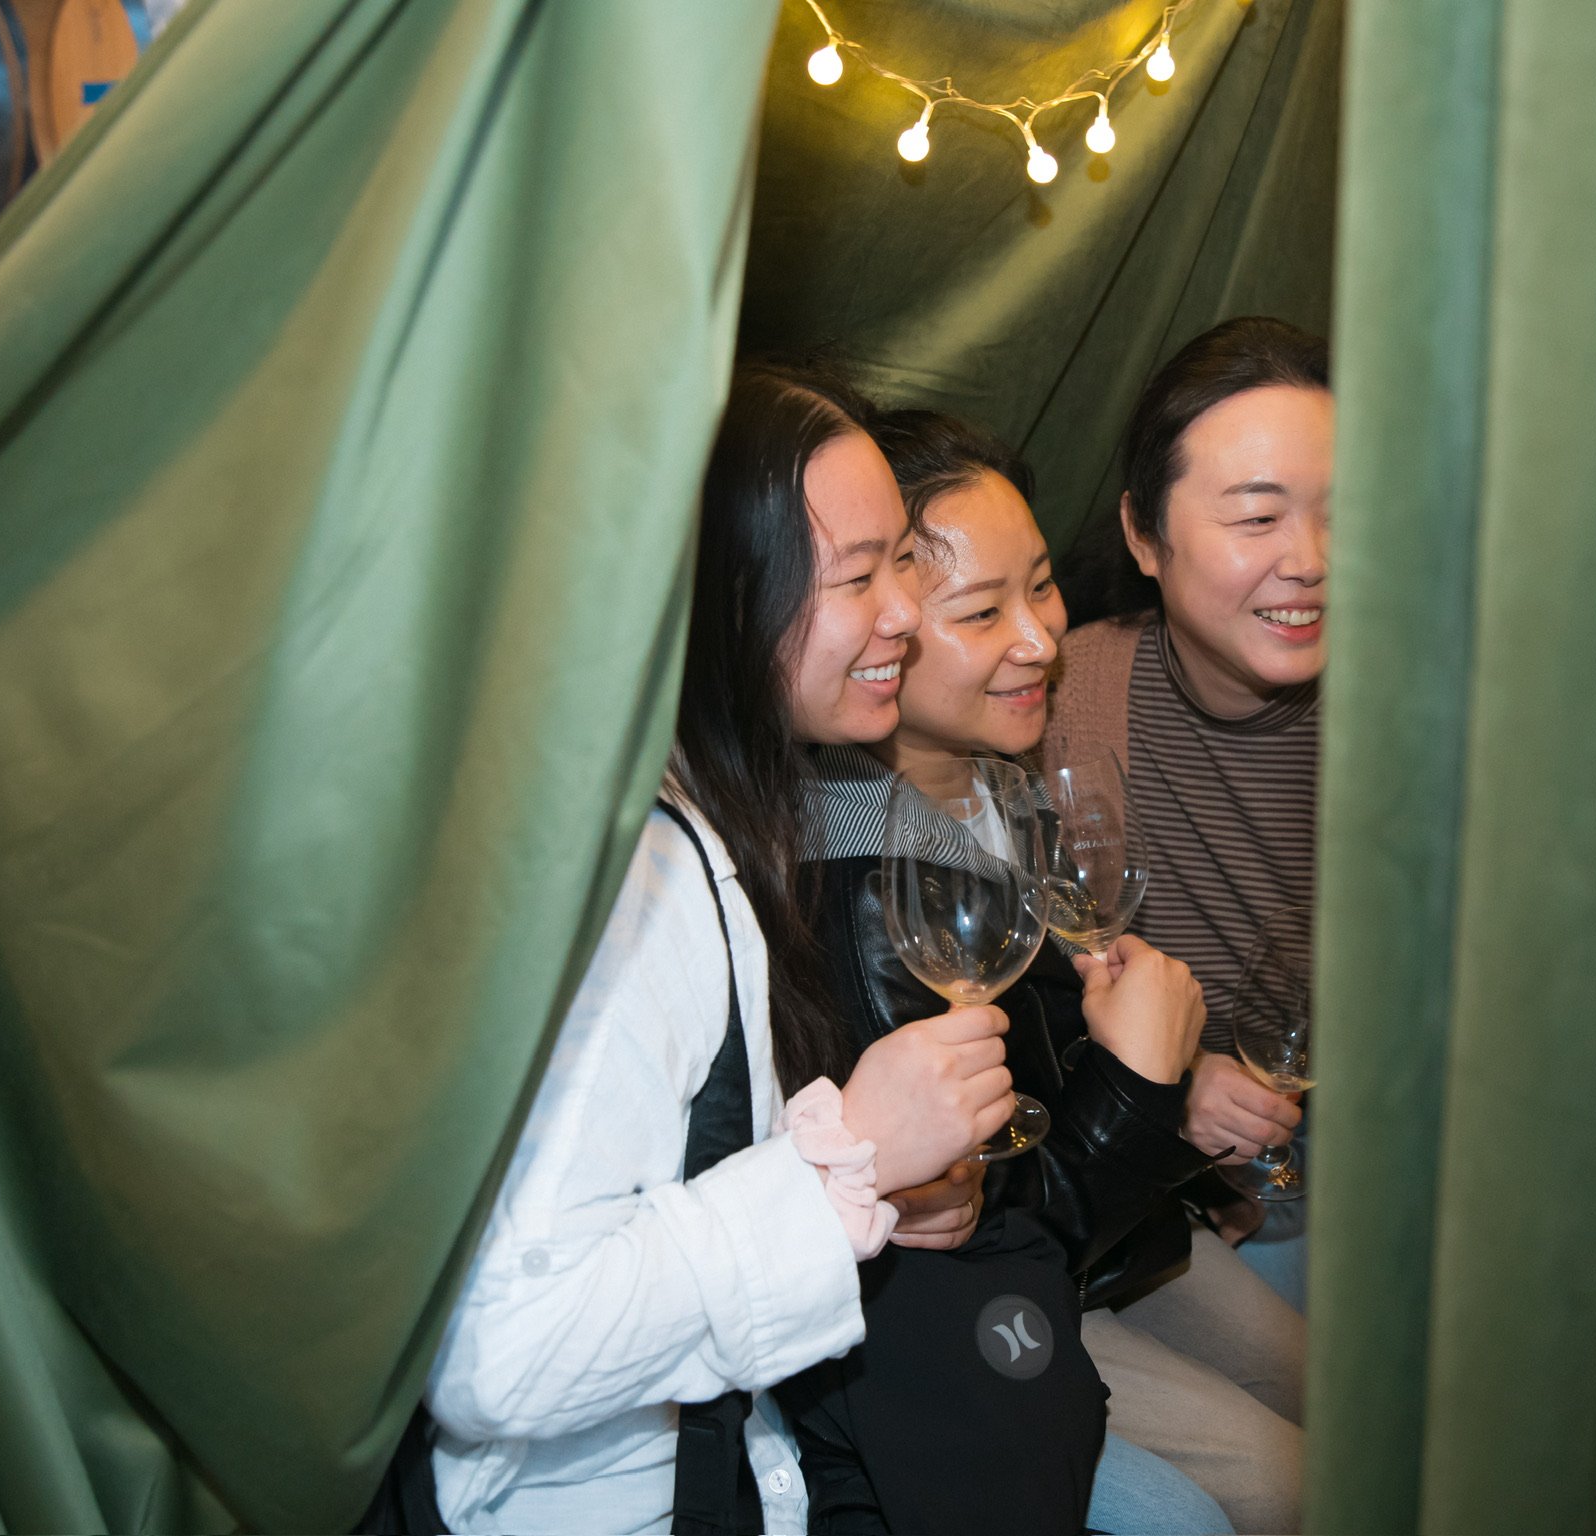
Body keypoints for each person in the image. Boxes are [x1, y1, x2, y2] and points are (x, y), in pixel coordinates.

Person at [419, 364, 1020, 1533]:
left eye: (903, 558)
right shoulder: (640, 887)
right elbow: (504, 1350)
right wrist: (843, 1156)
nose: (904, 609)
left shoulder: (716, 828)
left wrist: (874, 1177)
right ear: (723, 601)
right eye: (859, 575)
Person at [793, 406, 1294, 1535]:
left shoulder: (1004, 784)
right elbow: (987, 1227)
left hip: (1112, 1216)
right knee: (1277, 1488)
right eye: (982, 611)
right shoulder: (869, 890)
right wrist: (1146, 1092)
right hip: (995, 1288)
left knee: (1329, 1381)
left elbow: (1062, 1044)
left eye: (1043, 586)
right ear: (875, 628)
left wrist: (1184, 1075)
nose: (1040, 639)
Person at [1045, 315, 1332, 1493]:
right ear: (1144, 534)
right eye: (1259, 517)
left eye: (1338, 511)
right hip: (1159, 1205)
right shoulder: (1059, 703)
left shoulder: (1426, 709)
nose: (1309, 556)